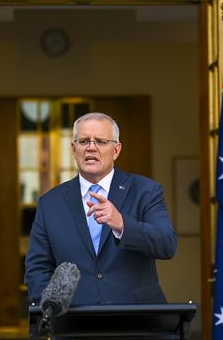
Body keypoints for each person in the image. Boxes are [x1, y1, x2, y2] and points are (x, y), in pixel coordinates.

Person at [24, 112, 177, 305]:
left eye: (101, 142)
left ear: (116, 150)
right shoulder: (50, 203)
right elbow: (37, 268)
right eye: (83, 141)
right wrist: (51, 308)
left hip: (137, 317)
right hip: (73, 320)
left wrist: (122, 225)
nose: (91, 148)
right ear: (73, 149)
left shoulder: (146, 190)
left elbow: (167, 244)